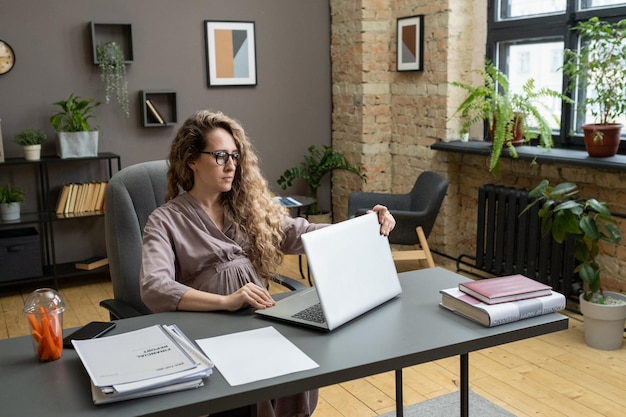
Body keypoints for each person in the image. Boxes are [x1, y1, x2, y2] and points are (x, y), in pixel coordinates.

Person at [139, 110, 396, 417]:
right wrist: (225, 301)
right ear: (192, 160)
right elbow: (154, 287)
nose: (231, 165)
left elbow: (303, 234)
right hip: (208, 326)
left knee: (301, 364)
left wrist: (364, 224)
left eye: (235, 155)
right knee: (259, 382)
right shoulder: (166, 220)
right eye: (220, 156)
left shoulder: (248, 208)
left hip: (259, 319)